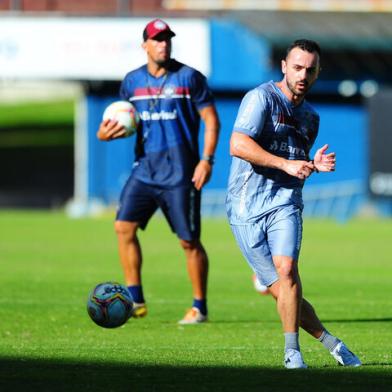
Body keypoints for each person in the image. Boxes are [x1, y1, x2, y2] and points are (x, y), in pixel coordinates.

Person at [226, 39, 361, 368]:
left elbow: (294, 164)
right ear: (284, 66)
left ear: (317, 73)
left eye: (310, 70)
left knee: (287, 272)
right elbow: (238, 144)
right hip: (245, 205)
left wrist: (312, 165)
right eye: (297, 67)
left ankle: (292, 352)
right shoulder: (260, 98)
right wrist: (286, 164)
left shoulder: (310, 117)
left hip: (285, 202)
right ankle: (331, 342)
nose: (303, 74)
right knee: (281, 292)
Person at [97, 18, 220, 324]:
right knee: (123, 227)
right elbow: (119, 120)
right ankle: (135, 298)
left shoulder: (190, 78)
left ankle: (199, 307)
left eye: (167, 39)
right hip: (145, 170)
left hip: (181, 173)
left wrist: (206, 160)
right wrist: (103, 133)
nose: (163, 43)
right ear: (145, 45)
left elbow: (212, 120)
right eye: (157, 39)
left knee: (188, 241)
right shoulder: (132, 81)